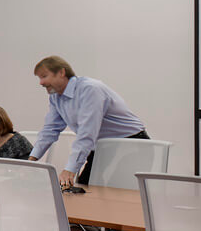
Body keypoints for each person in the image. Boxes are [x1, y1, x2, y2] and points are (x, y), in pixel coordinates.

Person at [28, 56, 149, 188]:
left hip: (132, 144)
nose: (41, 82)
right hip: (104, 147)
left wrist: (70, 170)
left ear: (62, 73)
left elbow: (87, 132)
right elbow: (49, 130)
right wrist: (31, 161)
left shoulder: (90, 89)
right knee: (85, 188)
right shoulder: (56, 97)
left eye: (44, 76)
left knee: (118, 193)